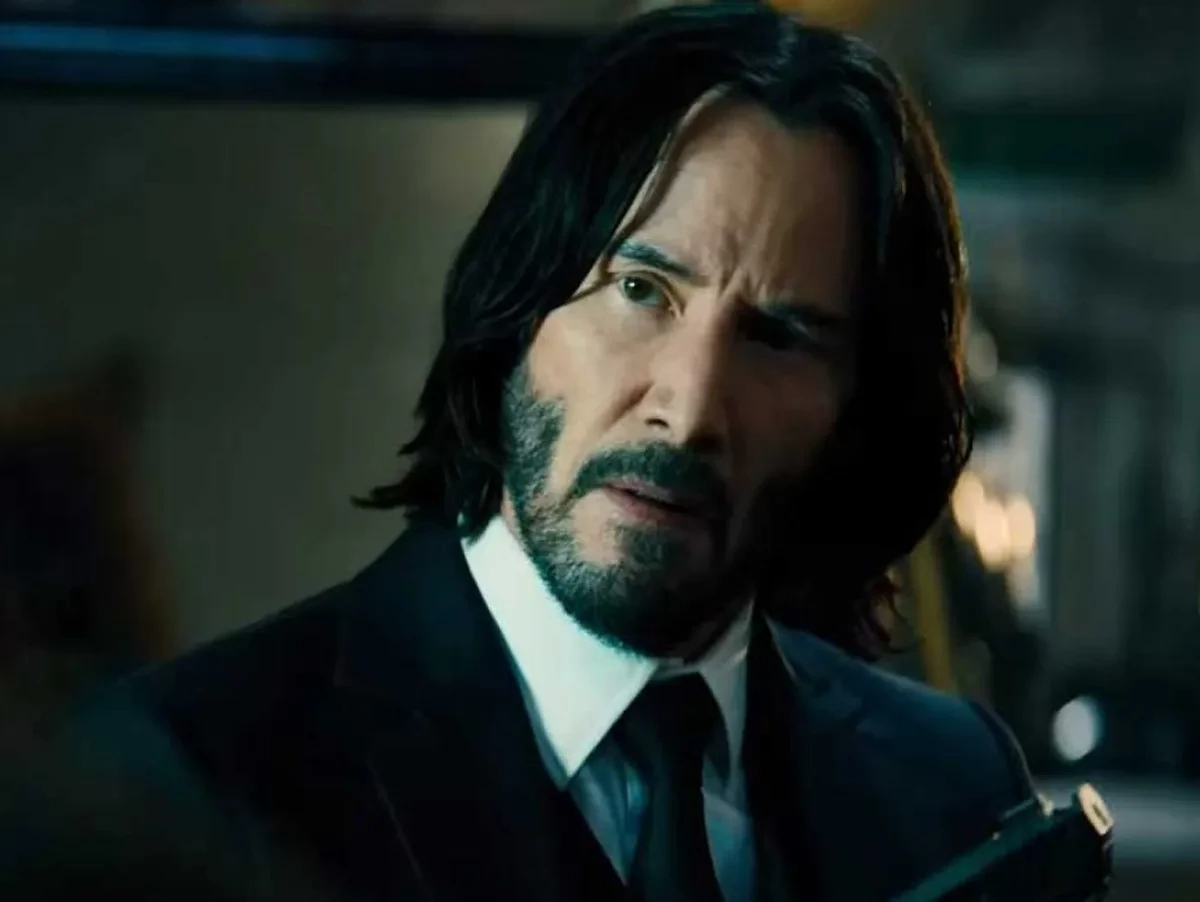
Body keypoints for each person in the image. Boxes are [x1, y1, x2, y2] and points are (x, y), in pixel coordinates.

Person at [70, 5, 1036, 901]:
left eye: (778, 337)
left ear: (854, 413)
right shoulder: (178, 786)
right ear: (521, 304)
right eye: (640, 290)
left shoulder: (951, 784)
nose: (688, 409)